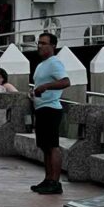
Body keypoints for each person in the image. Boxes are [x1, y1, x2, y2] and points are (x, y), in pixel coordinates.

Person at [30, 32, 70, 195]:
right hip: (40, 108)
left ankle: (55, 181)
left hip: (51, 109)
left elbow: (66, 82)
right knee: (45, 146)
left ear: (53, 46)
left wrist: (46, 87)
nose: (40, 46)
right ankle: (47, 179)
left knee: (52, 146)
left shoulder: (54, 63)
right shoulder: (41, 65)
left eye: (44, 43)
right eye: (39, 43)